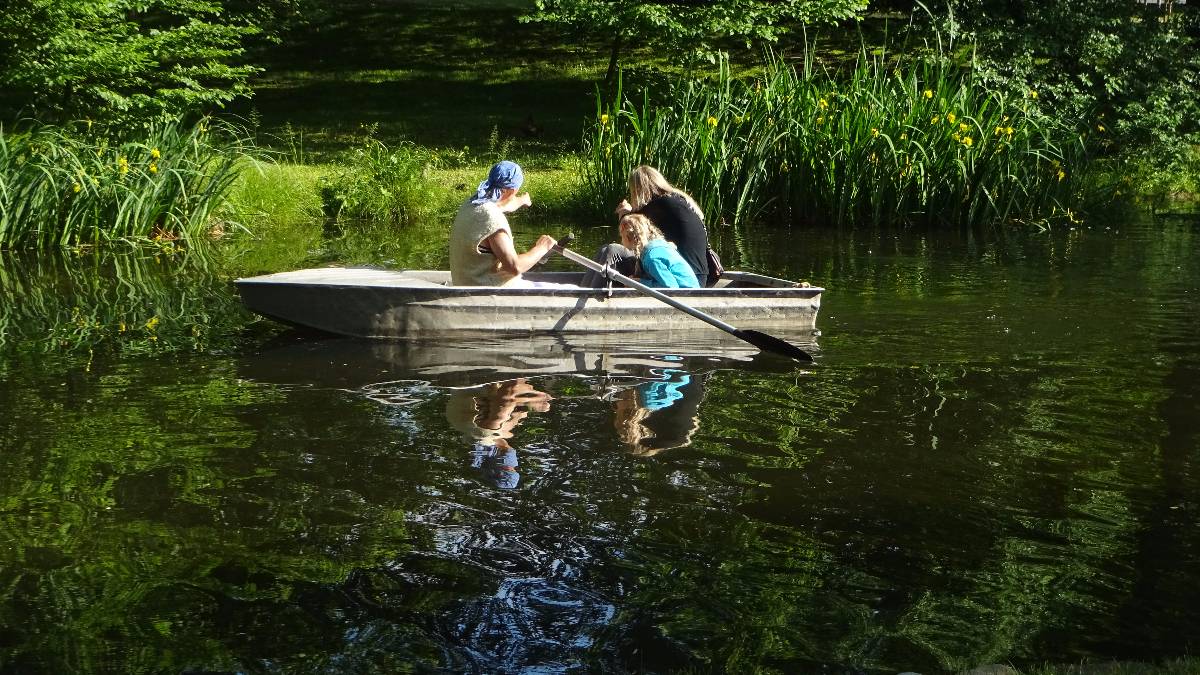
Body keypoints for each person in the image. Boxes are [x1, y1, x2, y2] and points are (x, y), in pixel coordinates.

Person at [585, 165, 710, 287]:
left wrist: (623, 214)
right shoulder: (678, 200)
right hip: (694, 275)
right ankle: (585, 290)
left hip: (685, 281)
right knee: (605, 250)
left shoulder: (659, 204)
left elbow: (631, 230)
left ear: (638, 188)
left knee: (612, 250)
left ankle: (589, 294)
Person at [449, 160, 560, 287]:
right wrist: (542, 248)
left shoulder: (471, 204)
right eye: (516, 192)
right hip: (489, 291)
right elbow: (515, 267)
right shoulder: (492, 220)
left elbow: (501, 204)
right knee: (571, 288)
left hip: (465, 285)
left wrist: (521, 201)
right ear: (512, 191)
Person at [617, 214, 699, 288]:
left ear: (629, 237)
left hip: (687, 295)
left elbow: (670, 288)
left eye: (622, 236)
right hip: (690, 291)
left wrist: (638, 283)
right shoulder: (658, 246)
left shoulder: (651, 258)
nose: (621, 241)